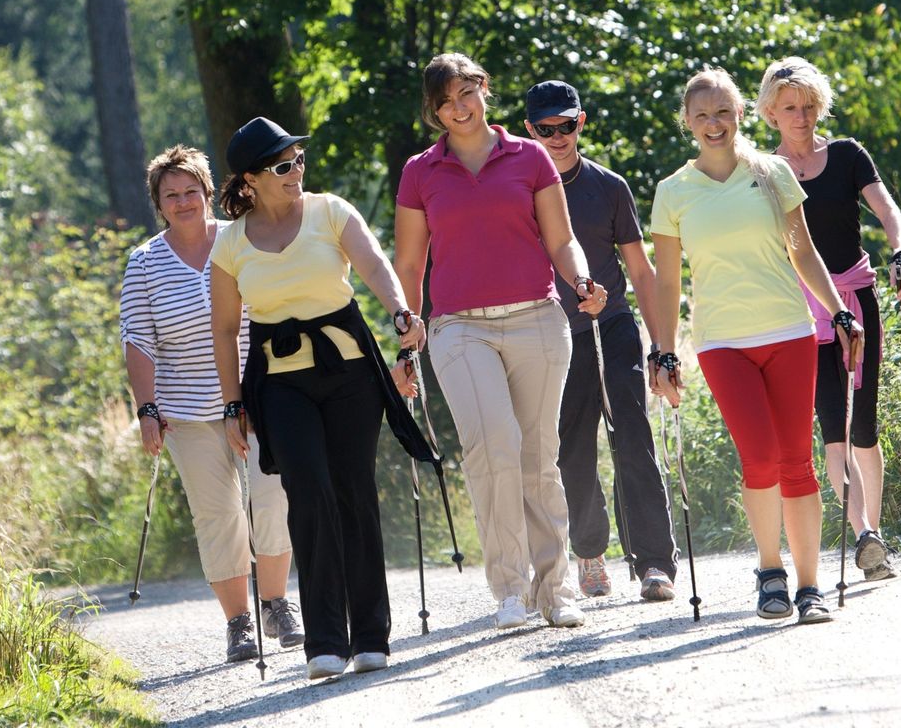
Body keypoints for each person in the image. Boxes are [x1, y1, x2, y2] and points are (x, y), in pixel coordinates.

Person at [394, 53, 609, 632]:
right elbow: (410, 260)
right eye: (445, 102)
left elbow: (561, 240)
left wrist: (582, 280)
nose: (459, 109)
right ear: (434, 111)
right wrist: (405, 326)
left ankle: (555, 588)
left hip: (537, 317)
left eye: (467, 93)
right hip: (458, 328)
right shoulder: (421, 171)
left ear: (485, 90)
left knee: (539, 456)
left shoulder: (531, 156)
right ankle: (509, 589)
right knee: (493, 444)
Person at [209, 117, 426, 681]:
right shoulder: (230, 243)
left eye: (299, 158)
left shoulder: (331, 210)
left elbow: (376, 265)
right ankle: (325, 640)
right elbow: (225, 329)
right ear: (250, 180)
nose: (296, 171)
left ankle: (371, 635)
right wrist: (233, 406)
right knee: (308, 495)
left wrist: (400, 310)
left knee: (354, 491)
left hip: (351, 371)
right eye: (282, 166)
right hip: (279, 384)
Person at [648, 66, 864, 624]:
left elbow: (804, 252)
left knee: (797, 460)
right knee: (760, 455)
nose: (713, 124)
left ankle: (809, 587)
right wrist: (663, 349)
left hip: (789, 332)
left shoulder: (772, 174)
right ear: (688, 123)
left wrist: (839, 310)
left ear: (741, 113)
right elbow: (668, 282)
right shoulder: (673, 192)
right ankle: (771, 571)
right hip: (722, 342)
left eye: (723, 112)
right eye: (702, 115)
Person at [119, 144, 303, 665]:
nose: (183, 202)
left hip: (259, 394)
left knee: (272, 497)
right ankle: (238, 624)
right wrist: (147, 408)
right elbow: (139, 341)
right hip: (188, 408)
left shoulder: (240, 240)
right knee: (218, 514)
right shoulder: (145, 264)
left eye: (190, 192)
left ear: (207, 193)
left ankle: (276, 603)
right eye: (170, 195)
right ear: (159, 204)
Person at [756, 56, 901, 581]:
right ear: (771, 113)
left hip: (857, 300)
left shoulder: (847, 156)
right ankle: (865, 535)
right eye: (789, 109)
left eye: (808, 107)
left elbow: (887, 210)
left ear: (819, 107)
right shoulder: (762, 172)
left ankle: (874, 529)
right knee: (833, 428)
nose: (801, 117)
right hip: (803, 312)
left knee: (863, 424)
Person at [522, 79, 679, 602]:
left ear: (581, 122)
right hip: (551, 332)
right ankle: (589, 553)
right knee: (572, 449)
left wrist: (661, 347)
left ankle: (655, 563)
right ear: (529, 131)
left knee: (633, 434)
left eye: (565, 126)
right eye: (545, 129)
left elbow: (640, 268)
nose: (557, 136)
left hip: (610, 326)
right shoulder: (520, 191)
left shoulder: (609, 187)